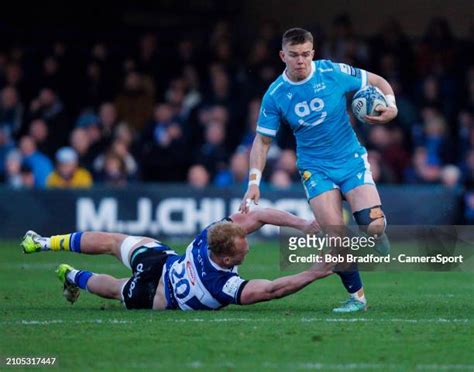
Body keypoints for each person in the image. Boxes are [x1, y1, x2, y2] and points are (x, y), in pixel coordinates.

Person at [240, 28, 398, 313]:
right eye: (294, 55)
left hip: (350, 159)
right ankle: (357, 298)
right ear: (282, 56)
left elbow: (377, 80)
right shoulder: (276, 94)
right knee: (336, 236)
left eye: (305, 54)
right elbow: (262, 142)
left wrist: (393, 107)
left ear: (312, 53)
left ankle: (377, 231)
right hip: (315, 168)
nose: (300, 61)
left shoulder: (331, 72)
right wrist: (254, 182)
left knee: (372, 224)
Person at [21, 208, 333, 311]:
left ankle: (44, 242)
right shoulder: (221, 285)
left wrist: (305, 225)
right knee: (117, 288)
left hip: (159, 260)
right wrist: (315, 272)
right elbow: (271, 290)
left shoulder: (209, 235)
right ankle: (73, 276)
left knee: (113, 242)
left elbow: (261, 215)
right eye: (242, 249)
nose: (248, 248)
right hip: (158, 294)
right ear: (226, 258)